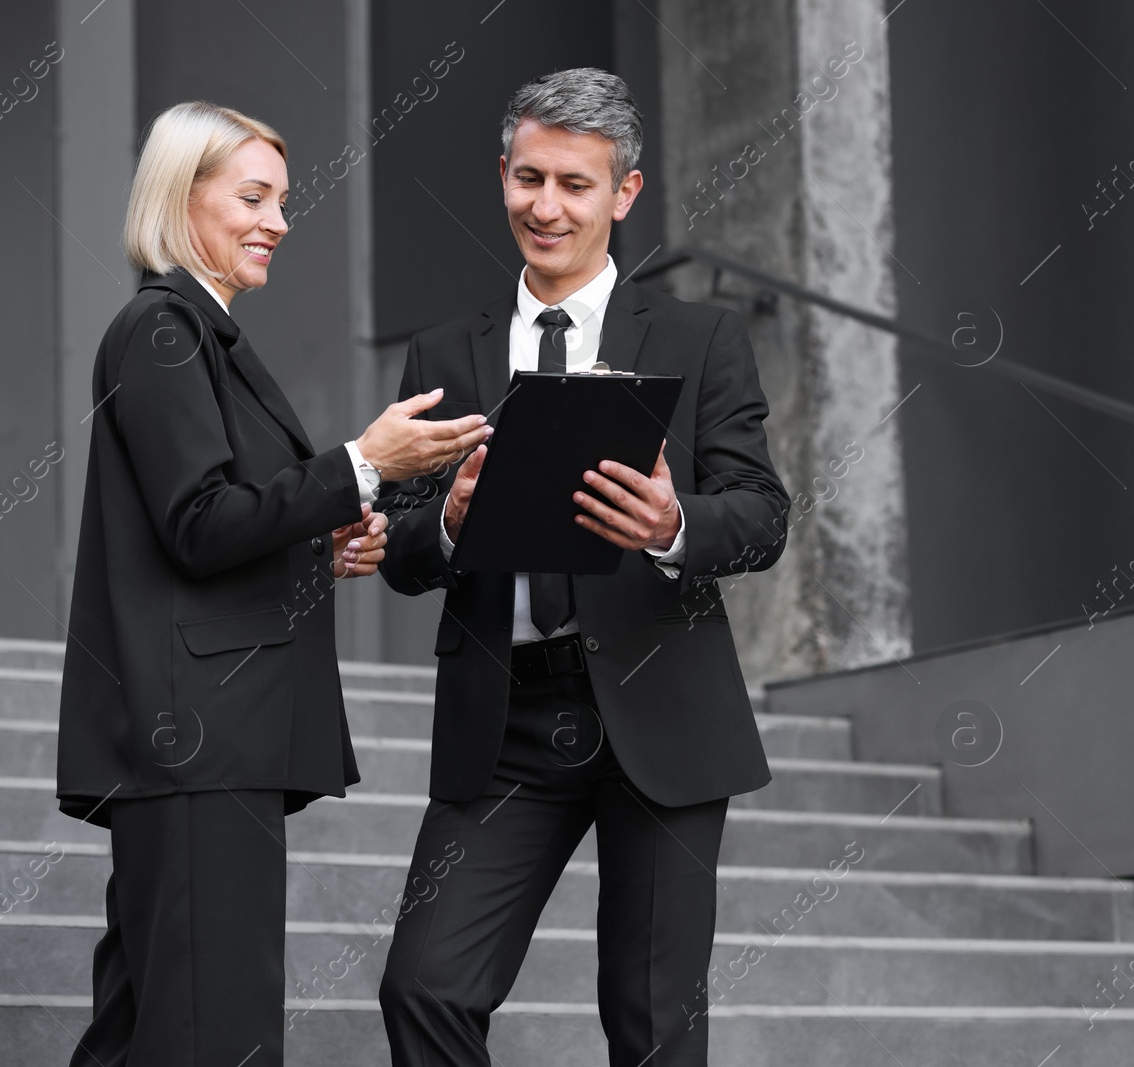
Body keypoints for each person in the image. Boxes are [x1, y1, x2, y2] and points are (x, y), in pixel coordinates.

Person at [55, 101, 491, 1067]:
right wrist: (364, 461)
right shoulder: (164, 331)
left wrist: (312, 545)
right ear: (182, 197)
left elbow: (209, 523)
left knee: (146, 1028)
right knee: (215, 1031)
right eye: (252, 196)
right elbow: (201, 523)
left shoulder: (195, 337)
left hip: (202, 736)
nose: (277, 222)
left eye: (281, 200)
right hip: (200, 737)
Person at [375, 69, 791, 1066]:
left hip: (662, 707)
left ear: (625, 193)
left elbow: (764, 514)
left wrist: (670, 521)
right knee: (423, 985)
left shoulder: (699, 339)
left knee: (652, 1025)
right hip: (504, 721)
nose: (546, 206)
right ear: (503, 174)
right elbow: (396, 544)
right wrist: (448, 522)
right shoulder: (444, 350)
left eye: (574, 183)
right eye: (528, 178)